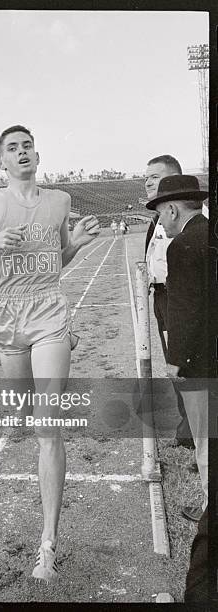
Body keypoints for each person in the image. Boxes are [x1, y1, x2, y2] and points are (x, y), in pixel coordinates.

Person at [0, 125, 100, 582]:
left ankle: (48, 544)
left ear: (38, 153)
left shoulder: (61, 202)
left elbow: (58, 259)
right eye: (12, 148)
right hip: (7, 314)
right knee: (22, 410)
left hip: (49, 307)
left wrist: (77, 245)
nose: (22, 152)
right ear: (1, 163)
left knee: (48, 429)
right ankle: (50, 354)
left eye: (27, 145)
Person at [146, 175, 208, 522]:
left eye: (159, 214)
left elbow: (185, 311)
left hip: (201, 363)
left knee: (206, 439)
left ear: (171, 209)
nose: (160, 222)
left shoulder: (182, 246)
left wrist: (176, 361)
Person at [144, 155, 194, 453]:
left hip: (180, 295)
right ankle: (186, 428)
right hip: (162, 296)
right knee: (174, 359)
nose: (148, 183)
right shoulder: (156, 218)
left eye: (154, 177)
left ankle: (193, 433)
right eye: (145, 178)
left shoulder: (186, 220)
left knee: (186, 360)